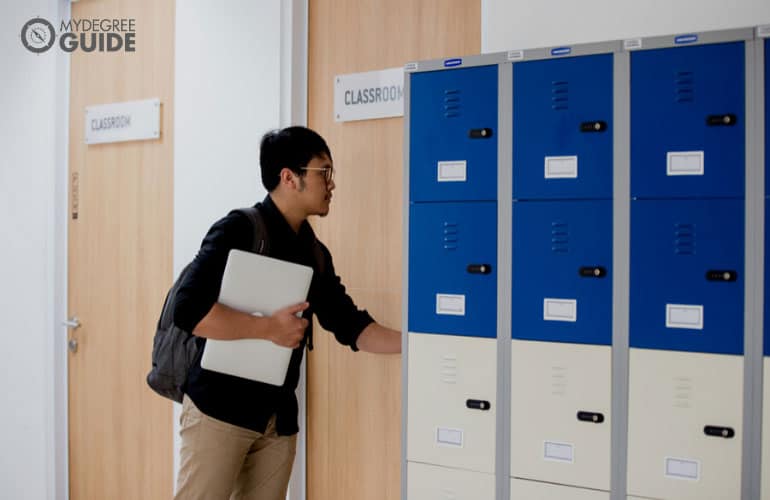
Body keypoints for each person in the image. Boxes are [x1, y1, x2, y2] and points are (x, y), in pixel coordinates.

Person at [172, 126, 401, 500]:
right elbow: (189, 310)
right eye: (323, 172)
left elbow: (351, 325)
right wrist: (267, 329)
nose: (332, 184)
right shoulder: (237, 230)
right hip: (218, 411)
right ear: (289, 178)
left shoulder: (315, 253)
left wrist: (418, 342)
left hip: (276, 422)